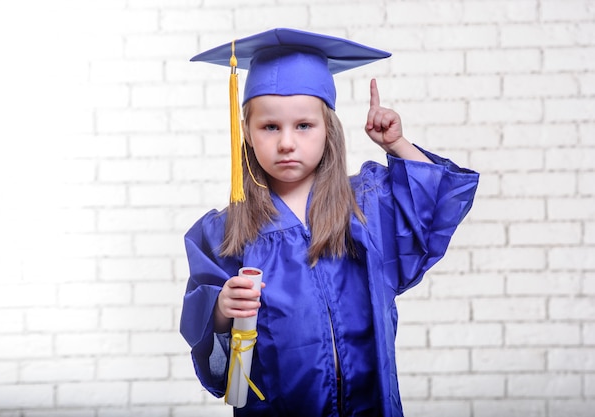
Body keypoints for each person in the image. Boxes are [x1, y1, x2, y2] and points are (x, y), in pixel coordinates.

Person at [180, 28, 479, 417]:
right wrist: (221, 307)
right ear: (248, 135)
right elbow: (209, 339)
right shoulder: (226, 232)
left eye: (304, 125)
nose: (287, 142)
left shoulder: (365, 208)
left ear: (328, 131)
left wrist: (397, 146)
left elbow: (433, 204)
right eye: (270, 126)